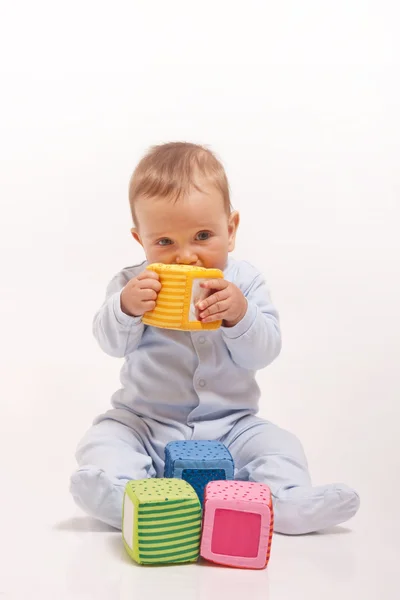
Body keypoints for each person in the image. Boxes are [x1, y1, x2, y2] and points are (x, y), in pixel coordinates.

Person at [70, 142, 360, 534]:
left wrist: (240, 315)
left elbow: (264, 352)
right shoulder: (131, 283)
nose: (185, 257)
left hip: (231, 425)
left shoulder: (244, 283)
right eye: (164, 243)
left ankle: (284, 500)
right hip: (146, 421)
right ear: (141, 241)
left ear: (232, 229)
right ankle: (122, 494)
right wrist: (125, 308)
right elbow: (110, 344)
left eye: (203, 235)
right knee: (104, 438)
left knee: (279, 444)